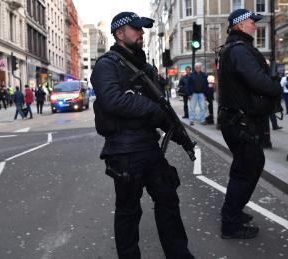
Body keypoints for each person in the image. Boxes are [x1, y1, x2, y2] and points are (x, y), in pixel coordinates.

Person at [90, 11, 194, 259]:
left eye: (142, 29)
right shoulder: (106, 65)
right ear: (119, 33)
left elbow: (162, 107)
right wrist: (152, 110)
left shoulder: (145, 67)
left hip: (149, 147)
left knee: (168, 199)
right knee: (128, 210)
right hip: (124, 150)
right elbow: (113, 100)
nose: (141, 33)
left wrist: (178, 134)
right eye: (136, 29)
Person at [217, 9, 282, 239]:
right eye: (251, 22)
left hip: (236, 120)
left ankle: (232, 211)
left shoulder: (235, 49)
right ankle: (231, 223)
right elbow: (258, 82)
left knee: (246, 167)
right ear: (239, 25)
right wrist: (276, 87)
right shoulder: (240, 51)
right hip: (240, 122)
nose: (254, 25)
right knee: (246, 170)